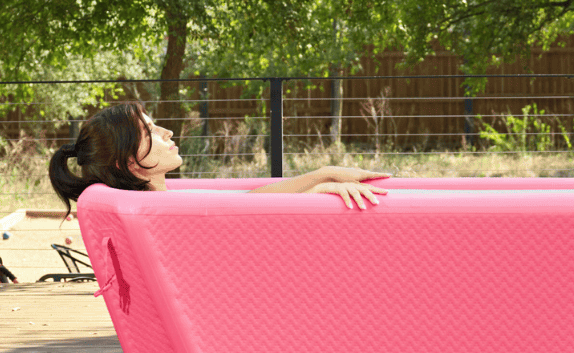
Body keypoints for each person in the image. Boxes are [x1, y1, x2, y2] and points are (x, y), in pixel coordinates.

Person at [48, 101, 389, 224]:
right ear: (128, 163)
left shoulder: (153, 203)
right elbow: (247, 205)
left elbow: (249, 198)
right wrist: (322, 182)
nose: (166, 131)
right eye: (149, 130)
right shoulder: (160, 209)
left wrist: (322, 175)